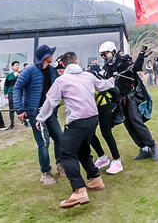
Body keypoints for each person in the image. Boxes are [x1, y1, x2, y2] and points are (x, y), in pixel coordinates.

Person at [37, 51, 115, 209]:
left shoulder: (61, 80)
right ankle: (95, 179)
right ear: (77, 61)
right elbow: (104, 85)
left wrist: (40, 118)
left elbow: (50, 101)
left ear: (63, 65)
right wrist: (113, 80)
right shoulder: (88, 76)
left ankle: (79, 190)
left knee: (66, 153)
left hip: (78, 121)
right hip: (93, 119)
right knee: (82, 150)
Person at [100, 41, 158, 162]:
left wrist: (142, 53)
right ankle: (143, 149)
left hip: (130, 97)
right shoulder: (107, 68)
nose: (104, 57)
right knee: (128, 125)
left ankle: (153, 146)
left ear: (112, 52)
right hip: (119, 100)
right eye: (102, 55)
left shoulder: (124, 62)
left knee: (136, 122)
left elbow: (136, 67)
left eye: (105, 54)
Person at [13, 44, 64, 185]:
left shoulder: (52, 71)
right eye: (50, 53)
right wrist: (20, 109)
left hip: (49, 112)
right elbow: (17, 88)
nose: (52, 55)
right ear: (44, 57)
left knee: (60, 137)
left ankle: (61, 165)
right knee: (44, 142)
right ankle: (45, 172)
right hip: (34, 113)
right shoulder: (29, 70)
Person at [4, 61, 20, 129]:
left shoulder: (21, 74)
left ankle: (25, 121)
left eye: (18, 65)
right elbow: (6, 85)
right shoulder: (9, 76)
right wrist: (5, 93)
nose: (17, 66)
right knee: (11, 108)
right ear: (12, 67)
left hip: (18, 92)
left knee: (19, 107)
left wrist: (18, 76)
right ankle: (12, 123)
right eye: (16, 65)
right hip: (10, 92)